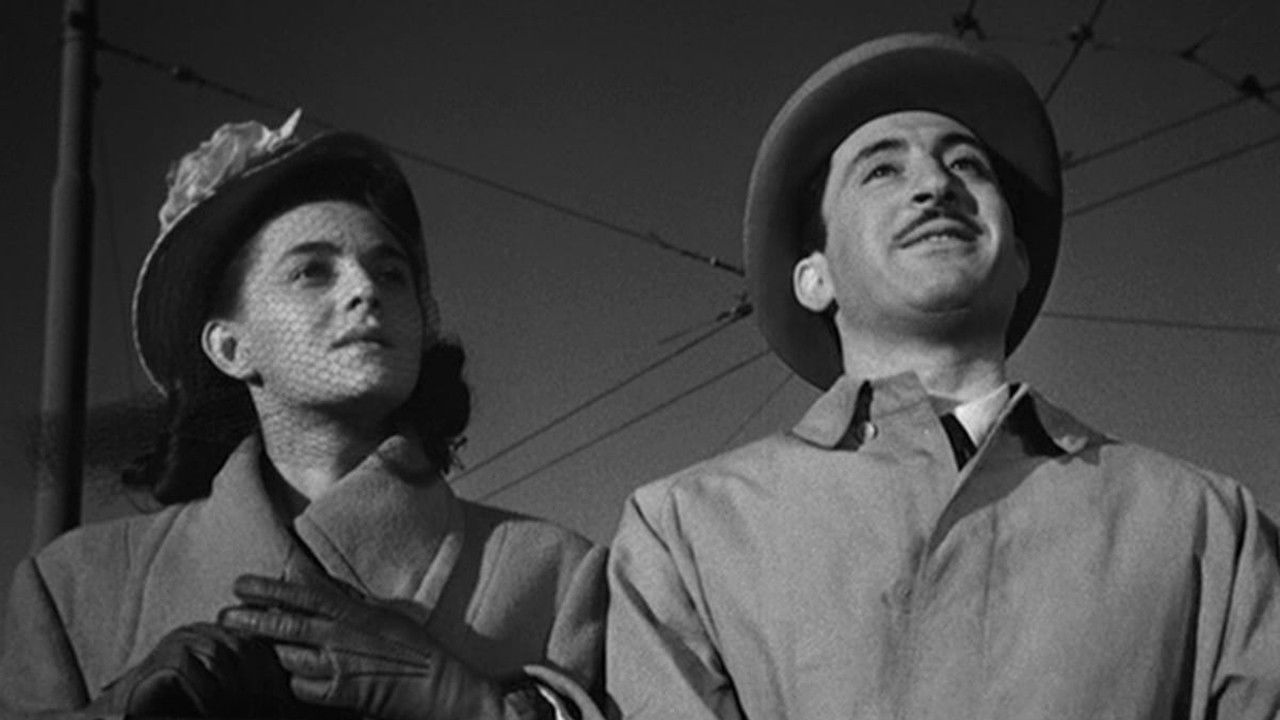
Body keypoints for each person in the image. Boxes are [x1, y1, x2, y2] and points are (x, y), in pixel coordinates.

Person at [606, 32, 1280, 719]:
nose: (936, 186)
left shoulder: (1207, 525)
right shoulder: (685, 532)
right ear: (815, 277)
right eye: (881, 171)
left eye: (967, 165)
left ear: (1019, 260)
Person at [1, 111, 605, 719]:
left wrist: (480, 709)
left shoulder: (556, 572)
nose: (366, 290)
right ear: (230, 347)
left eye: (392, 273)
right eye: (312, 270)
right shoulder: (75, 587)